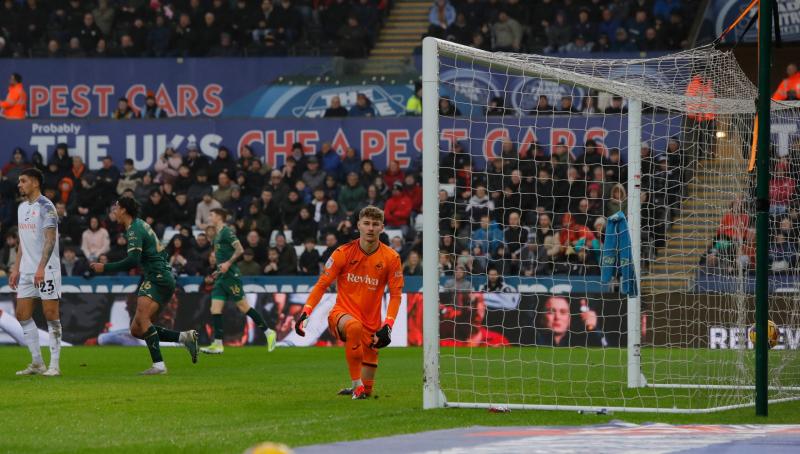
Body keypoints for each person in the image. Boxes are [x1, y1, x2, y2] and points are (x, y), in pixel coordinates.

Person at [295, 206, 403, 399]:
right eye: (366, 223)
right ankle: (356, 385)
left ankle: (360, 388)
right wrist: (306, 311)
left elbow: (396, 295)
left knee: (368, 392)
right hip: (341, 315)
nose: (370, 228)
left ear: (382, 228)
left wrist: (388, 325)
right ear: (358, 225)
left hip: (370, 324)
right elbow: (322, 285)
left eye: (375, 224)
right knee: (354, 327)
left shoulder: (391, 258)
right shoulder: (342, 253)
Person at [90, 197, 199, 375]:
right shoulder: (138, 225)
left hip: (157, 277)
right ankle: (184, 337)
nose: (114, 211)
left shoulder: (134, 229)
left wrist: (105, 267)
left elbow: (132, 261)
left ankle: (159, 365)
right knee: (136, 329)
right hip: (161, 276)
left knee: (142, 320)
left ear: (124, 210)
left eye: (116, 208)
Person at [200, 208, 277, 354]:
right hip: (221, 277)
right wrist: (218, 271)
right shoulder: (217, 235)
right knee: (215, 309)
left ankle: (269, 332)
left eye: (212, 215)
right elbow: (222, 259)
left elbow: (240, 249)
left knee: (243, 307)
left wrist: (228, 264)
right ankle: (218, 344)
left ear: (219, 217)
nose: (210, 218)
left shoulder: (227, 232)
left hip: (231, 276)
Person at [9, 169, 62, 376]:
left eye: (23, 181)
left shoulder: (46, 207)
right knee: (22, 314)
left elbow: (50, 239)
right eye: (19, 181)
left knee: (51, 314)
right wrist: (16, 267)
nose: (19, 185)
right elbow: (23, 241)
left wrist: (41, 267)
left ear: (35, 183)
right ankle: (37, 362)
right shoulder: (22, 207)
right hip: (26, 270)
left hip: (47, 269)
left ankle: (54, 365)